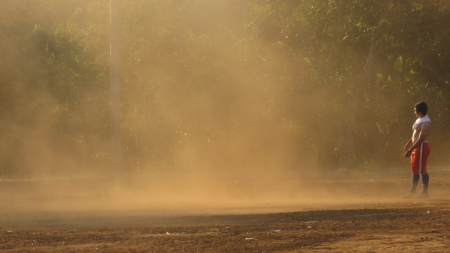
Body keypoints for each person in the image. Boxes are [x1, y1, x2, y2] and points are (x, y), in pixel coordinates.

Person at [403, 102, 431, 198]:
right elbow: (415, 134)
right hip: (417, 147)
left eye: (415, 110)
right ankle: (412, 191)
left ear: (420, 111)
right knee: (414, 169)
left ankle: (424, 192)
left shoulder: (426, 122)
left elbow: (421, 138)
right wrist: (409, 143)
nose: (414, 112)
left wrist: (410, 149)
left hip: (421, 146)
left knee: (422, 170)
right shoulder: (420, 120)